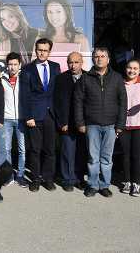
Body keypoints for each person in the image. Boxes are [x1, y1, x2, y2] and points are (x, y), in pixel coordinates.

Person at [74, 47, 127, 198]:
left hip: (111, 125)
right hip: (91, 125)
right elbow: (78, 102)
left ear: (108, 59)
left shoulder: (117, 78)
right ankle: (92, 185)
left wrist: (120, 125)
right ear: (93, 59)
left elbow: (123, 102)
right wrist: (80, 123)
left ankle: (104, 185)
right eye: (96, 56)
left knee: (106, 158)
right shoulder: (85, 78)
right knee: (92, 158)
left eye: (102, 56)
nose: (99, 59)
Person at [20, 38, 61, 192]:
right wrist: (28, 116)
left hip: (51, 115)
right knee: (35, 150)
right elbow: (24, 95)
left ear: (49, 52)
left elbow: (58, 93)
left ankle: (48, 178)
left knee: (50, 149)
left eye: (45, 50)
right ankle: (36, 179)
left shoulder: (56, 67)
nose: (42, 52)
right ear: (35, 50)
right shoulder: (27, 69)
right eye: (39, 50)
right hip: (34, 116)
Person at [117, 59, 140, 197]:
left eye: (135, 68)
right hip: (124, 125)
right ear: (125, 69)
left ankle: (137, 184)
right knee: (126, 156)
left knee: (138, 156)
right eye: (129, 68)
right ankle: (127, 181)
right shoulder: (120, 83)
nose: (132, 71)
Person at [54, 52, 87, 191]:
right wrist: (62, 122)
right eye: (70, 63)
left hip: (83, 123)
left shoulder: (88, 77)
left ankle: (79, 178)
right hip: (66, 122)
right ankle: (67, 180)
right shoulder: (61, 79)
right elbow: (56, 102)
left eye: (76, 62)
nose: (73, 66)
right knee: (67, 152)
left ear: (82, 62)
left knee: (81, 152)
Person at [0, 52, 30, 187]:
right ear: (7, 65)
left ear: (20, 65)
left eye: (15, 64)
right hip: (6, 118)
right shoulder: (1, 77)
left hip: (21, 118)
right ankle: (8, 175)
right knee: (6, 149)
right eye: (10, 64)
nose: (12, 67)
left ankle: (20, 175)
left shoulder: (25, 78)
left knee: (22, 149)